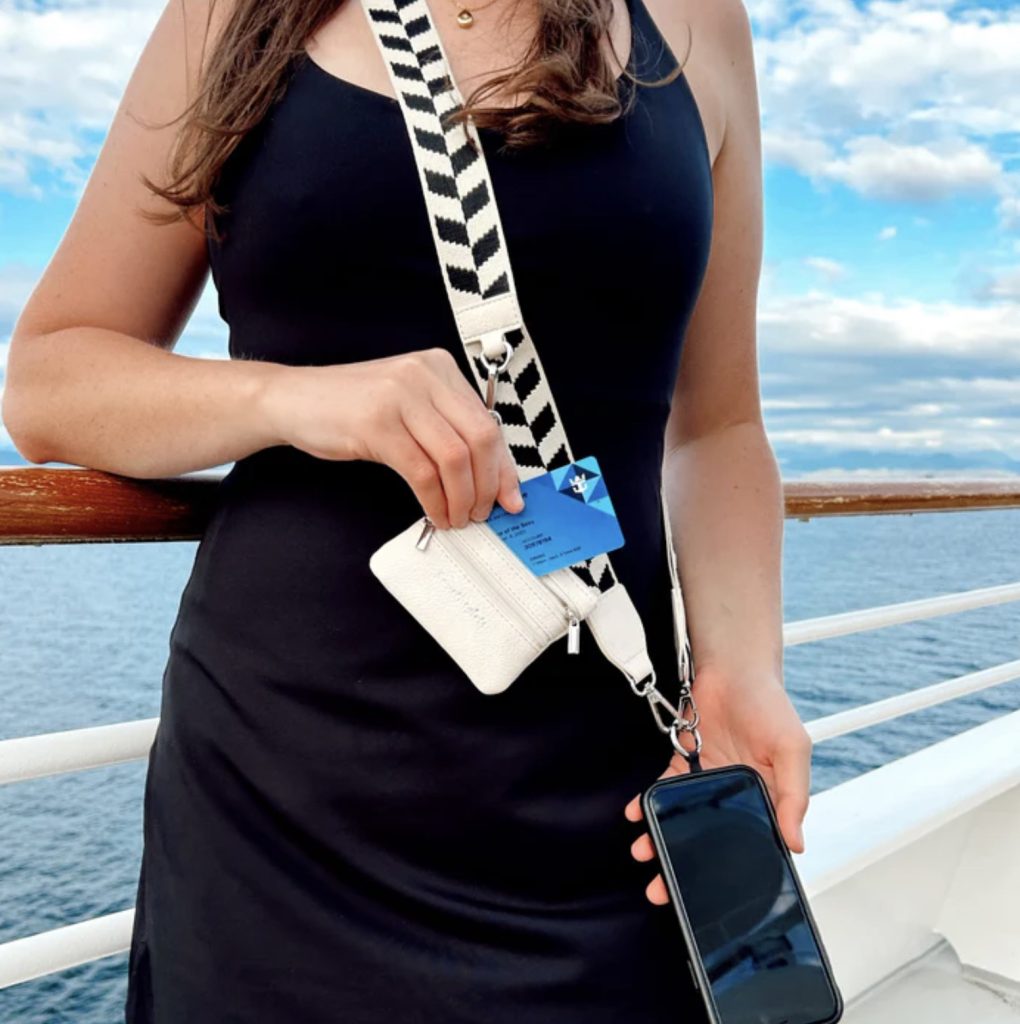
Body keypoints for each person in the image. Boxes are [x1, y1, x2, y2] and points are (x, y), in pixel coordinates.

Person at [2, 0, 813, 1017]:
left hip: (608, 800)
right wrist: (293, 398)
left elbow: (719, 427)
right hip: (276, 807)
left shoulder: (698, 24)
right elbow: (50, 378)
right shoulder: (229, 14)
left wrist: (746, 668)